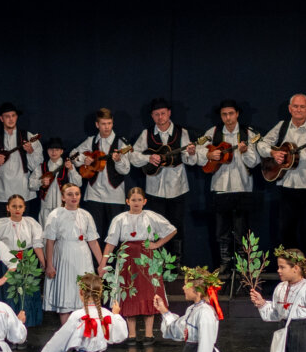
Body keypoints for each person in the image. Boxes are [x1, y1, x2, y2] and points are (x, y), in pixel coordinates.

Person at [255, 94, 306, 260]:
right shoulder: (282, 126)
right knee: (286, 230)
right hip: (288, 186)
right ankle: (289, 269)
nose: (298, 110)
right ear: (290, 109)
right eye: (295, 107)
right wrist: (273, 153)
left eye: (302, 107)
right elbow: (261, 144)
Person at [101, 187, 177, 346]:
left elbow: (171, 230)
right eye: (133, 200)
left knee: (149, 292)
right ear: (127, 201)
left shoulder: (150, 216)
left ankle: (149, 333)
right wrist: (103, 264)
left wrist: (157, 244)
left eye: (139, 200)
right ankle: (132, 334)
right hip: (127, 258)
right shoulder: (120, 219)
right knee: (129, 292)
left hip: (146, 258)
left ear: (144, 201)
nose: (136, 203)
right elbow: (110, 243)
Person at [195, 99, 261, 274]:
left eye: (231, 114)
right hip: (220, 186)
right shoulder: (214, 132)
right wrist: (209, 153)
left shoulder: (248, 133)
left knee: (242, 230)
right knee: (222, 229)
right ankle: (224, 263)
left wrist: (246, 152)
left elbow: (255, 162)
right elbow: (198, 150)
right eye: (224, 114)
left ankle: (243, 265)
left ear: (237, 114)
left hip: (243, 187)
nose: (228, 118)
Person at [128, 98, 197, 259]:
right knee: (156, 226)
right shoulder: (147, 134)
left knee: (177, 225)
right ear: (152, 116)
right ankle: (158, 262)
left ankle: (177, 262)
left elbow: (189, 159)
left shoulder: (182, 133)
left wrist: (192, 153)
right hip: (154, 187)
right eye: (157, 114)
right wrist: (148, 159)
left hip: (178, 186)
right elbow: (133, 156)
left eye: (163, 114)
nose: (160, 117)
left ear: (169, 113)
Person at [43, 184, 104, 324]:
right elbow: (50, 241)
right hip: (64, 254)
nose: (74, 197)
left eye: (77, 194)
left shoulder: (85, 215)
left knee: (84, 291)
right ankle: (67, 331)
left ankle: (84, 331)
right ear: (63, 197)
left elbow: (93, 241)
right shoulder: (56, 214)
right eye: (70, 194)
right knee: (66, 291)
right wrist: (49, 265)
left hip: (82, 255)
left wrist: (102, 264)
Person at [0, 195, 46, 337]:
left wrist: (44, 263)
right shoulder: (1, 224)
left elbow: (37, 244)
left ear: (24, 208)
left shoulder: (31, 223)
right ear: (8, 208)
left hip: (27, 261)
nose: (17, 209)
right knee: (11, 293)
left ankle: (23, 328)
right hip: (8, 261)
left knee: (26, 293)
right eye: (14, 206)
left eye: (20, 206)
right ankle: (9, 327)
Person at [72, 108, 132, 240]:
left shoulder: (121, 143)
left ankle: (112, 261)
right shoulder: (91, 141)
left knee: (114, 236)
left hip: (115, 196)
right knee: (94, 234)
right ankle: (95, 261)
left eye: (109, 123)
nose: (107, 127)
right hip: (94, 195)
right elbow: (73, 155)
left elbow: (125, 170)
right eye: (103, 124)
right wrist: (84, 160)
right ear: (97, 125)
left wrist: (118, 160)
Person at [0, 102, 43, 218]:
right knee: (2, 227)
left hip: (23, 191)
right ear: (1, 118)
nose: (11, 119)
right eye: (7, 116)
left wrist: (31, 152)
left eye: (13, 115)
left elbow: (38, 164)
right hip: (1, 191)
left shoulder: (28, 136)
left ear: (17, 117)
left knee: (24, 228)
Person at [30, 137, 81, 230]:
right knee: (46, 231)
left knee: (63, 231)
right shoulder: (42, 167)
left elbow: (78, 183)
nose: (54, 152)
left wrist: (71, 169)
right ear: (47, 151)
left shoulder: (68, 166)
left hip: (63, 206)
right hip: (46, 206)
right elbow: (31, 184)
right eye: (51, 149)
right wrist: (40, 182)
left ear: (61, 151)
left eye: (57, 149)